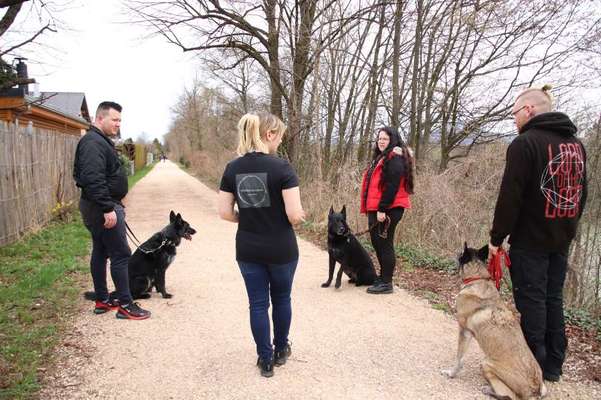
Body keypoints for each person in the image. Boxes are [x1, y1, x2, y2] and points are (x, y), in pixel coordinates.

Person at [488, 86, 587, 382]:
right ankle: (554, 365)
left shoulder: (525, 143)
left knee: (532, 301)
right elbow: (582, 193)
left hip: (530, 240)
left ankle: (534, 368)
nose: (513, 119)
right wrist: (570, 229)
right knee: (552, 299)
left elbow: (510, 197)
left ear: (529, 110)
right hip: (561, 237)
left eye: (515, 112)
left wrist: (496, 238)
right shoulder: (576, 145)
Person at [218, 112, 305, 378]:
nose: (279, 142)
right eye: (279, 137)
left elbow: (224, 212)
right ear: (269, 135)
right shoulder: (282, 168)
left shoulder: (232, 168)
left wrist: (246, 217)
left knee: (257, 304)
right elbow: (294, 214)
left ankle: (264, 359)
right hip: (281, 248)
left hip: (248, 248)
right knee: (281, 299)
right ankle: (280, 350)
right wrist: (299, 217)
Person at [73, 101, 151, 320]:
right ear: (100, 119)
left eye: (120, 120)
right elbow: (92, 178)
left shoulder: (98, 141)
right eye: (114, 120)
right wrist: (108, 208)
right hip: (101, 207)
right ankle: (126, 305)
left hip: (98, 205)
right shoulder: (93, 143)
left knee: (100, 251)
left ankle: (102, 300)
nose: (118, 124)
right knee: (121, 254)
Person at [360, 126, 414, 294]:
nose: (381, 141)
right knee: (377, 242)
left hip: (388, 208)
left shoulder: (395, 157)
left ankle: (386, 282)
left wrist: (382, 209)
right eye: (380, 138)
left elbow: (392, 186)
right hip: (377, 207)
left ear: (393, 140)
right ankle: (383, 278)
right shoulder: (382, 157)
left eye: (385, 139)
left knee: (384, 243)